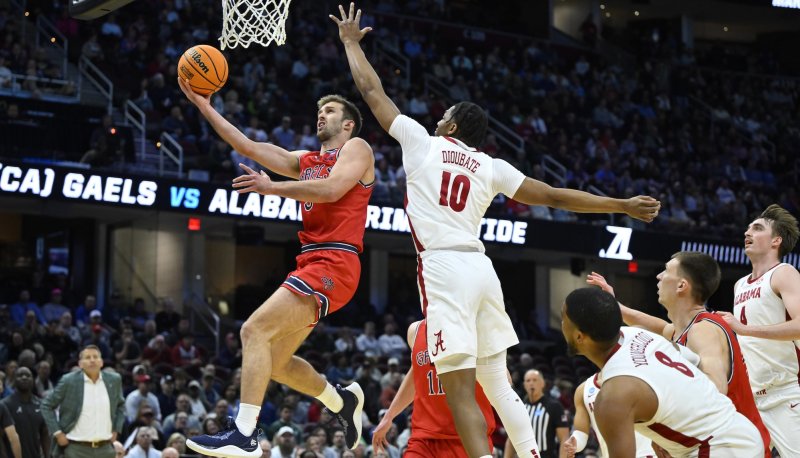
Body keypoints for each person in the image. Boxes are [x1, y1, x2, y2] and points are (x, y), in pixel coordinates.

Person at [331, 4, 660, 457]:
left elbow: (370, 88)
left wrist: (351, 43)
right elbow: (556, 196)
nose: (437, 118)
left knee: (459, 387)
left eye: (442, 114)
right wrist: (620, 205)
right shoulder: (490, 165)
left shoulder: (420, 141)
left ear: (450, 124)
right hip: (482, 270)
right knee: (496, 381)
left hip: (445, 267)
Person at [178, 75, 374, 457]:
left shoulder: (357, 149)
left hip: (336, 261)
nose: (322, 116)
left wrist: (272, 188)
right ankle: (341, 402)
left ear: (347, 123)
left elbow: (333, 189)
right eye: (319, 111)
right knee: (276, 362)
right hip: (313, 261)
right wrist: (204, 106)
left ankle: (244, 435)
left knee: (253, 330)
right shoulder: (305, 162)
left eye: (329, 111)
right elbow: (245, 145)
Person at [586, 252, 771, 457]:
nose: (659, 276)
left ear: (682, 286)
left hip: (731, 445)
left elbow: (716, 388)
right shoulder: (683, 329)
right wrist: (615, 306)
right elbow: (657, 327)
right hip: (718, 441)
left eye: (666, 271)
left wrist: (674, 426)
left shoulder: (703, 331)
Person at [718, 204, 800, 457]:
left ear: (776, 240)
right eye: (747, 228)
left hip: (785, 393)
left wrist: (744, 329)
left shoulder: (783, 273)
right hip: (751, 397)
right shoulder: (740, 284)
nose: (747, 232)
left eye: (757, 228)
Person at [372, 319, 496, 457]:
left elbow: (503, 380)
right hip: (424, 437)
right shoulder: (415, 330)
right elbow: (416, 375)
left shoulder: (474, 325)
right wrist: (388, 417)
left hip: (467, 437)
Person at [41, 345, 126, 458]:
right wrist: (58, 433)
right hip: (76, 449)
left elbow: (121, 405)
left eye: (95, 357)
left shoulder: (114, 380)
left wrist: (116, 429)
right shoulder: (69, 381)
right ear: (80, 364)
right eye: (87, 357)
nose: (92, 360)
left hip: (105, 449)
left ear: (101, 362)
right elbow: (46, 405)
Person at [562, 374, 655, 458]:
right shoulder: (583, 390)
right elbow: (580, 434)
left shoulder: (641, 378)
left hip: (647, 453)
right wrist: (574, 443)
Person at [504, 370, 567, 458]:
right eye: (528, 381)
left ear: (543, 384)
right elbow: (511, 439)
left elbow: (564, 438)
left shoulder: (554, 406)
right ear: (524, 385)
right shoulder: (519, 407)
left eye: (535, 380)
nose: (531, 383)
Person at [2, 366, 49, 458]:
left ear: (33, 380)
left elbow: (45, 434)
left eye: (28, 375)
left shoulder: (41, 404)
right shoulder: (5, 404)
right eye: (20, 375)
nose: (24, 377)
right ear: (14, 380)